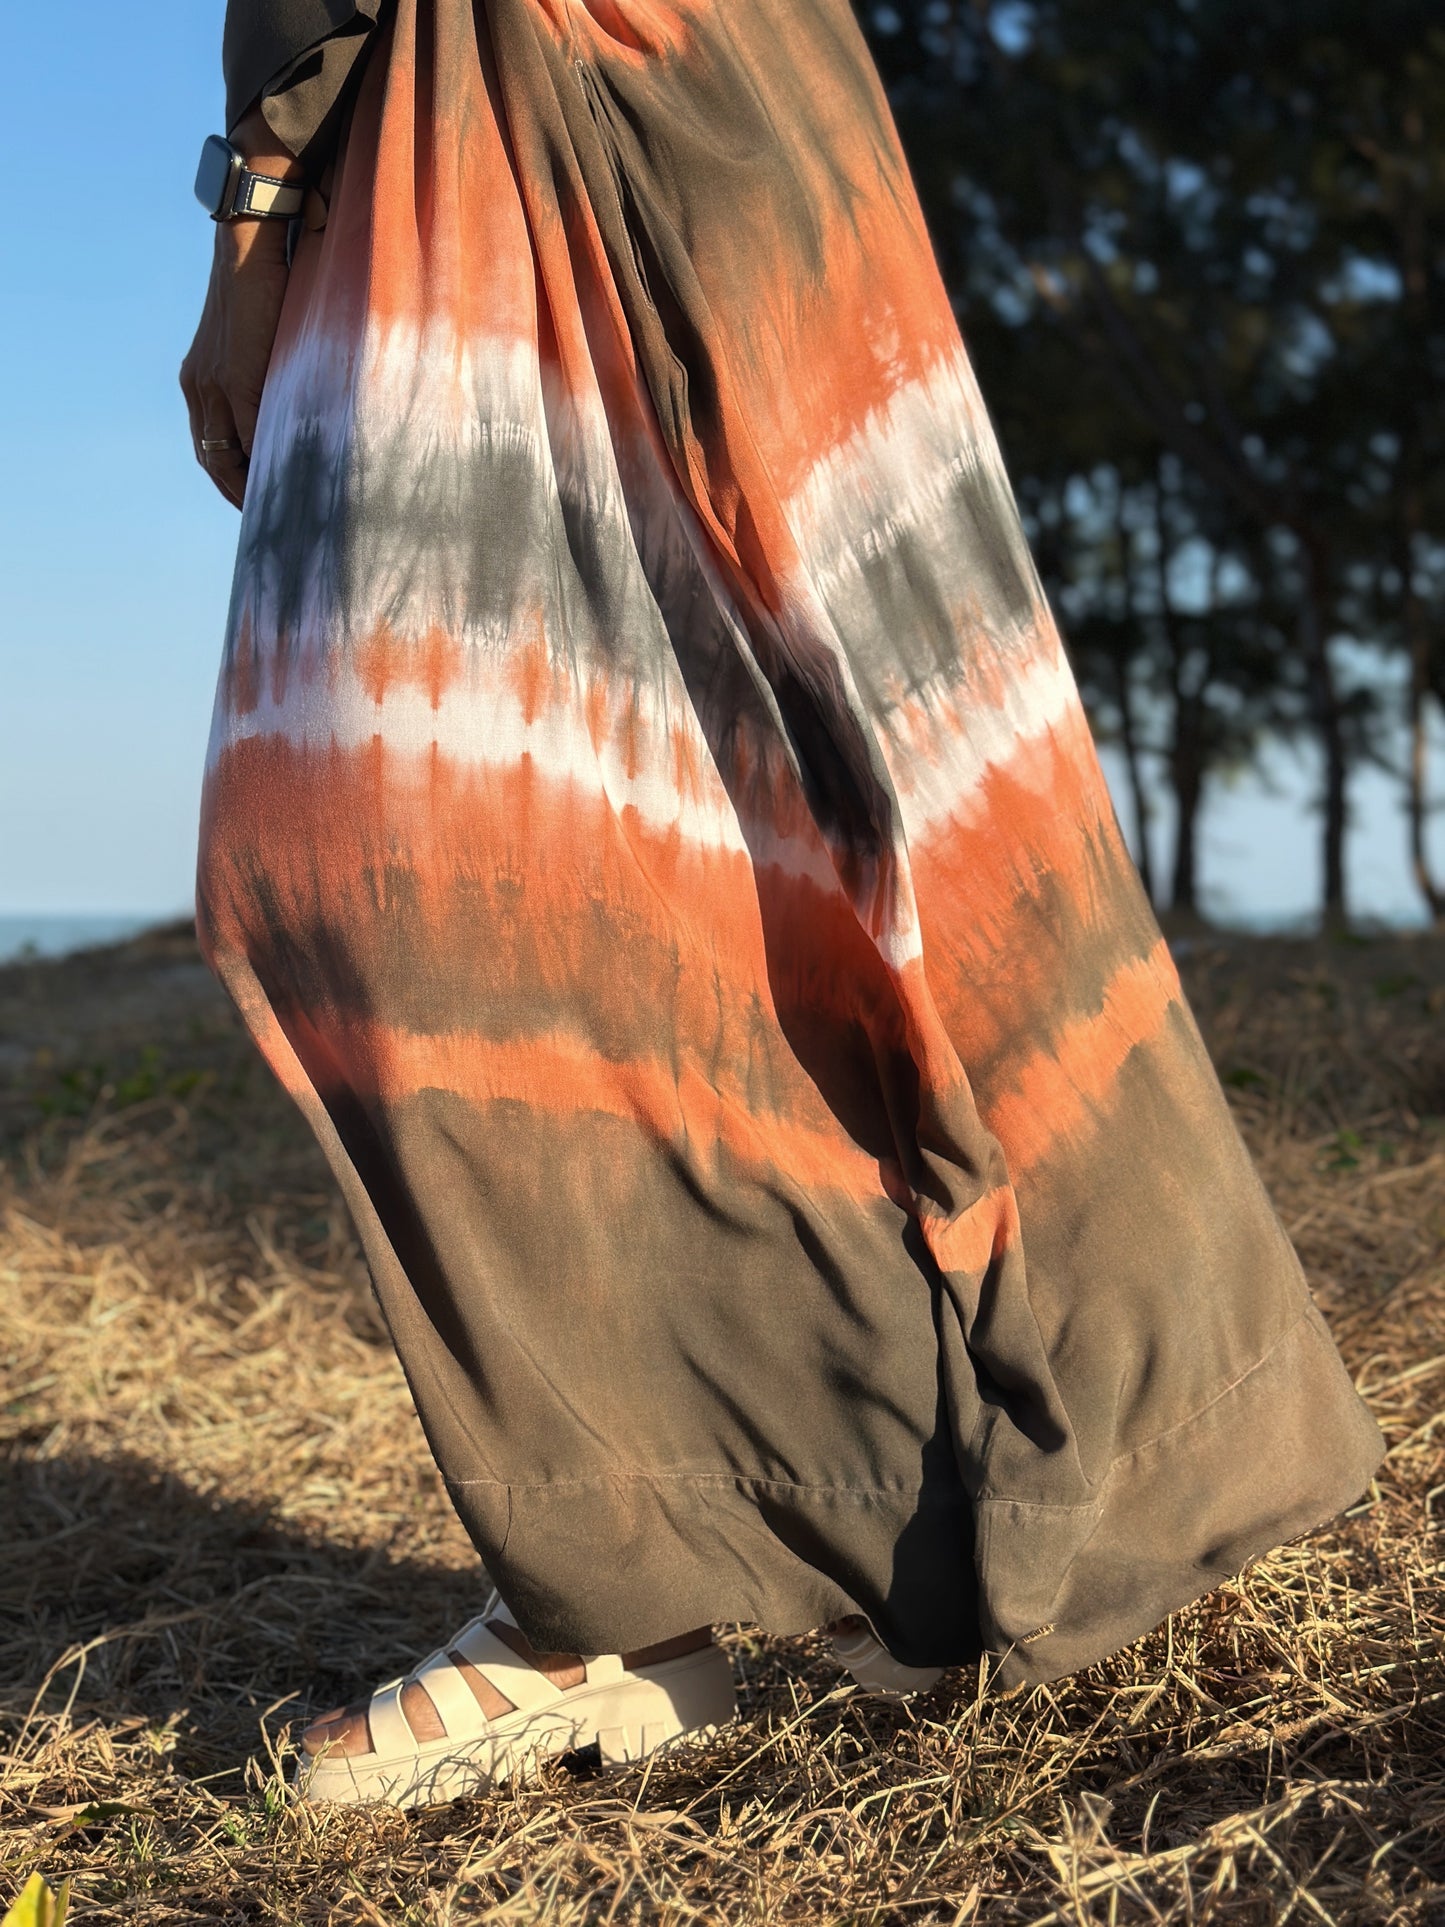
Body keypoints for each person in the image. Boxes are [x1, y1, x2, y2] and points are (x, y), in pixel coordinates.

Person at [181, 0, 1383, 1811]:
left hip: (499, 104)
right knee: (827, 780)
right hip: (757, 93)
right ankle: (819, 1518)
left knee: (390, 836)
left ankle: (654, 1583)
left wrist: (255, 214)